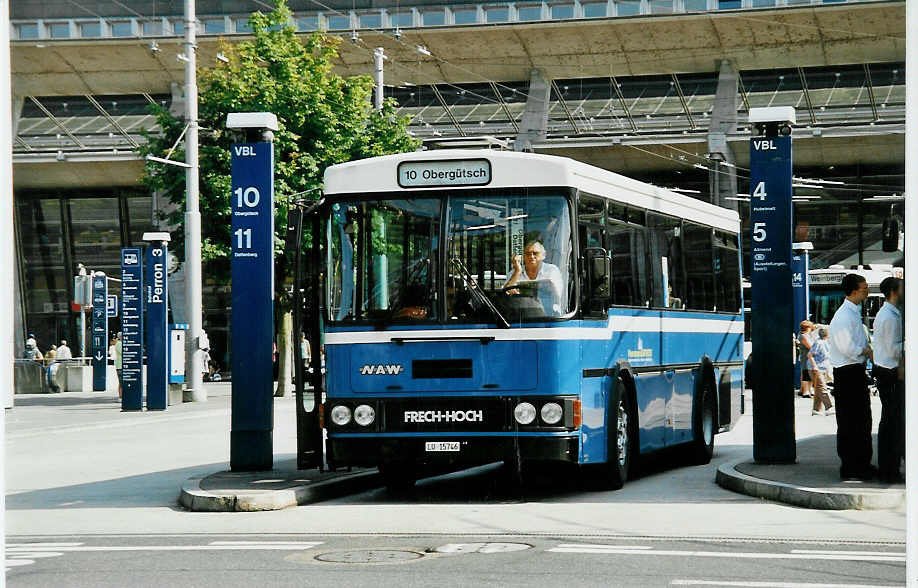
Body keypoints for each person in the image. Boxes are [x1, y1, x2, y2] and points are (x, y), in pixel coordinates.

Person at [828, 273, 875, 481]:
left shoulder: (852, 313)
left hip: (854, 371)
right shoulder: (843, 316)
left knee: (861, 420)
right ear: (854, 290)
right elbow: (847, 347)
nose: (867, 291)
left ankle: (861, 463)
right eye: (865, 288)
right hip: (848, 372)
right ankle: (850, 466)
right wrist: (866, 351)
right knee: (851, 421)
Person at [872, 276, 904, 483]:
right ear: (894, 291)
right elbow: (894, 349)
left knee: (889, 421)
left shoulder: (887, 313)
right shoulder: (891, 317)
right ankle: (889, 469)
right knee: (892, 423)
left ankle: (888, 466)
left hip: (885, 371)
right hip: (890, 372)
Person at [504, 240, 564, 316]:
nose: (531, 256)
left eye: (535, 253)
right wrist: (517, 271)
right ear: (523, 256)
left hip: (550, 317)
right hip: (521, 318)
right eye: (528, 254)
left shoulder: (552, 271)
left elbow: (557, 295)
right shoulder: (514, 272)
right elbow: (504, 296)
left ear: (543, 255)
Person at [808, 327, 834, 416]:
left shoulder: (826, 342)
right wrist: (815, 366)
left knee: (819, 388)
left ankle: (816, 409)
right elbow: (810, 355)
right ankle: (829, 407)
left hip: (823, 368)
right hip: (816, 368)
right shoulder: (818, 343)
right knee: (822, 387)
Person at [114, 333, 123, 399]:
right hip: (120, 366)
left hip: (120, 365)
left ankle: (121, 395)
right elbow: (123, 352)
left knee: (121, 382)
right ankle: (120, 396)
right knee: (121, 382)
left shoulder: (118, 343)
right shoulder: (119, 344)